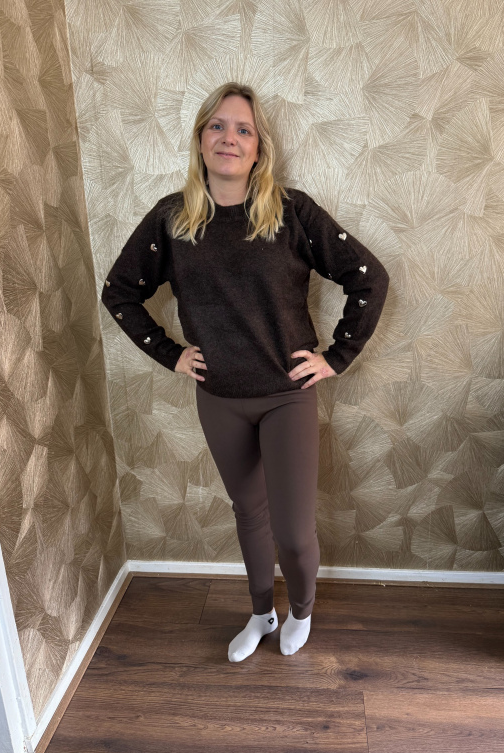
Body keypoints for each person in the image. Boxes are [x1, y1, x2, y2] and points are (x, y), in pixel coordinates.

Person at [101, 82, 389, 662]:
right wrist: (170, 353)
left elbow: (369, 278)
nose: (228, 138)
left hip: (287, 396)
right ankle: (262, 613)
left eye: (243, 129)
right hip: (220, 398)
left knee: (293, 532)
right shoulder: (172, 220)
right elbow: (119, 292)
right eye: (217, 126)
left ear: (259, 148)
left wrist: (336, 357)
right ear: (200, 140)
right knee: (248, 513)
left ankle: (301, 611)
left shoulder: (291, 212)